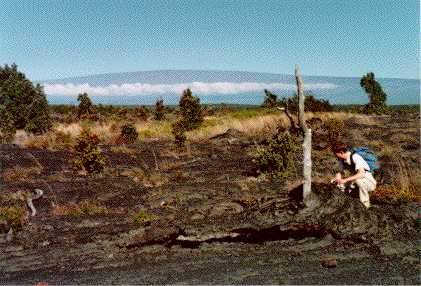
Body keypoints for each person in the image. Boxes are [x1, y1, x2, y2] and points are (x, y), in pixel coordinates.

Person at [331, 142, 377, 208]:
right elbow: (340, 172)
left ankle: (365, 206)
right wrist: (337, 179)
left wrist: (345, 180)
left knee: (359, 181)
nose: (336, 156)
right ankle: (342, 204)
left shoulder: (355, 157)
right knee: (337, 184)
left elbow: (361, 174)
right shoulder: (342, 160)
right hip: (355, 182)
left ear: (341, 152)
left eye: (336, 154)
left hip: (369, 182)